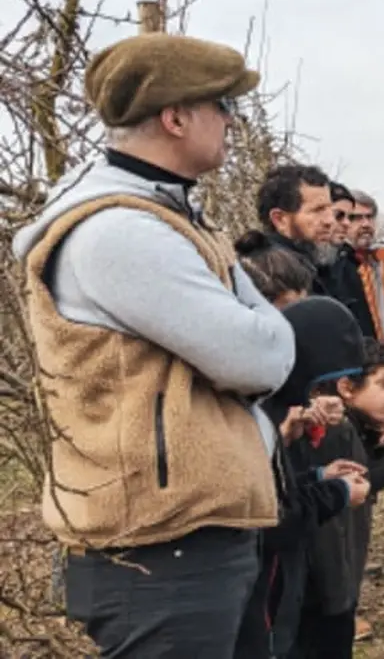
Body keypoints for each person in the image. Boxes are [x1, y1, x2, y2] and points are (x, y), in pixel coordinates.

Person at [12, 32, 296, 657]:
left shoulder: (170, 219)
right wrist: (267, 332)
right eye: (224, 106)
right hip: (161, 556)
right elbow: (261, 356)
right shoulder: (122, 235)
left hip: (189, 541)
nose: (232, 123)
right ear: (175, 117)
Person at [234, 295, 372, 659]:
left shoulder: (274, 408)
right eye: (317, 386)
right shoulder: (258, 414)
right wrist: (338, 492)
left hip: (282, 588)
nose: (319, 399)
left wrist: (319, 473)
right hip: (263, 598)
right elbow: (271, 511)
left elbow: (278, 483)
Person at [295, 335, 384, 659]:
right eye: (382, 383)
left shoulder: (351, 427)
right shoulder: (333, 430)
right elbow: (362, 482)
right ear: (347, 388)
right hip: (329, 593)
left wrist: (379, 438)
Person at [257, 163, 336, 290]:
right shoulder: (271, 276)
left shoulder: (317, 265)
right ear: (280, 219)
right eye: (317, 210)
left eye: (331, 210)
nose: (330, 221)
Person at [345, 189, 384, 352]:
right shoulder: (336, 268)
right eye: (356, 218)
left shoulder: (378, 263)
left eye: (369, 217)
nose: (366, 224)